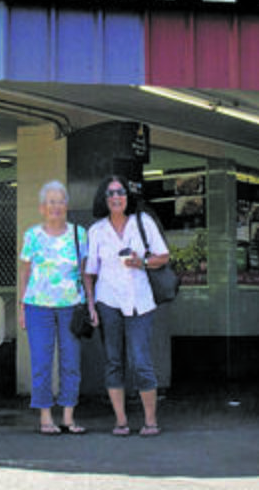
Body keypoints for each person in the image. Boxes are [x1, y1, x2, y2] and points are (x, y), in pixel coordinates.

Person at [84, 175, 170, 437]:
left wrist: (141, 262)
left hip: (140, 302)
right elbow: (89, 272)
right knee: (113, 361)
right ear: (104, 199)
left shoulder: (142, 223)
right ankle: (121, 421)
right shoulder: (96, 231)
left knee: (141, 360)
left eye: (120, 192)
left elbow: (163, 257)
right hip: (108, 301)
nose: (116, 197)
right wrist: (90, 304)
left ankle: (150, 421)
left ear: (127, 197)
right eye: (110, 194)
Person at [17, 180, 90, 435]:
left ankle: (68, 417)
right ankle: (45, 417)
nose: (56, 206)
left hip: (71, 307)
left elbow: (85, 273)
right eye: (51, 202)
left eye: (60, 201)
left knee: (71, 361)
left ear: (66, 205)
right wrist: (21, 307)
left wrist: (90, 304)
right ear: (42, 207)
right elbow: (25, 273)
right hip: (37, 306)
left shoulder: (79, 234)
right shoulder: (32, 236)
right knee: (41, 361)